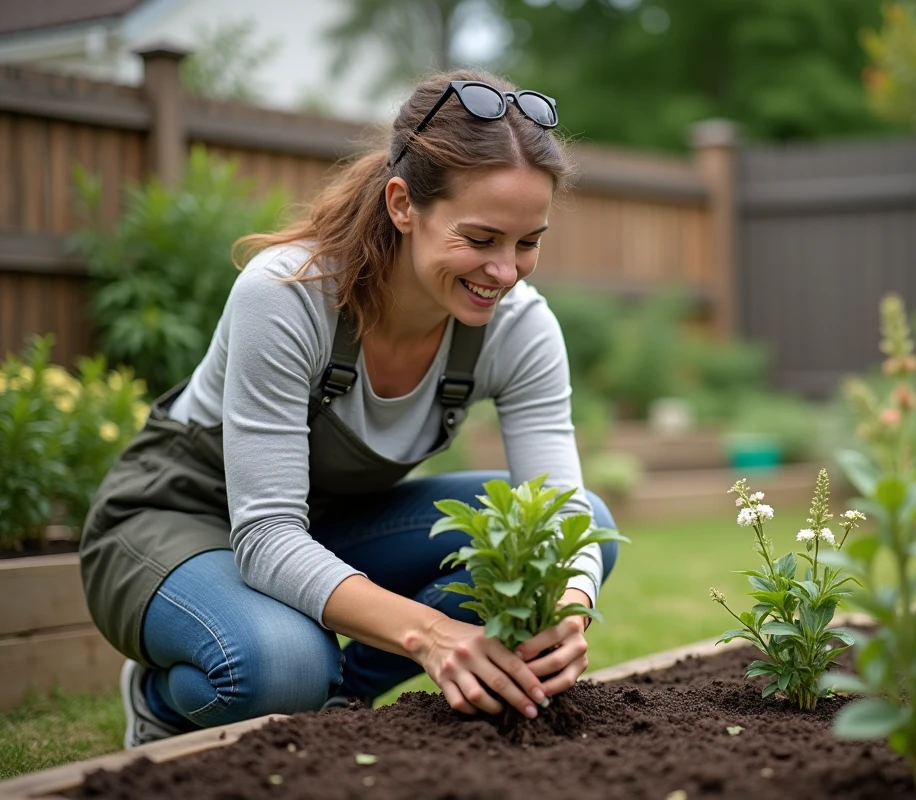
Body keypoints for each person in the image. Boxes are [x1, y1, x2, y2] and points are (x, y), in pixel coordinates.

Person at [79, 68, 620, 749]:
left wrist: (570, 613)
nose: (505, 272)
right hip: (178, 519)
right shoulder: (286, 296)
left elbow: (563, 511)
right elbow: (268, 535)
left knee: (582, 529)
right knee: (278, 665)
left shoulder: (519, 327)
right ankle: (164, 698)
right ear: (402, 204)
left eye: (528, 242)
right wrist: (432, 635)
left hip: (326, 524)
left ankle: (334, 697)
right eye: (480, 240)